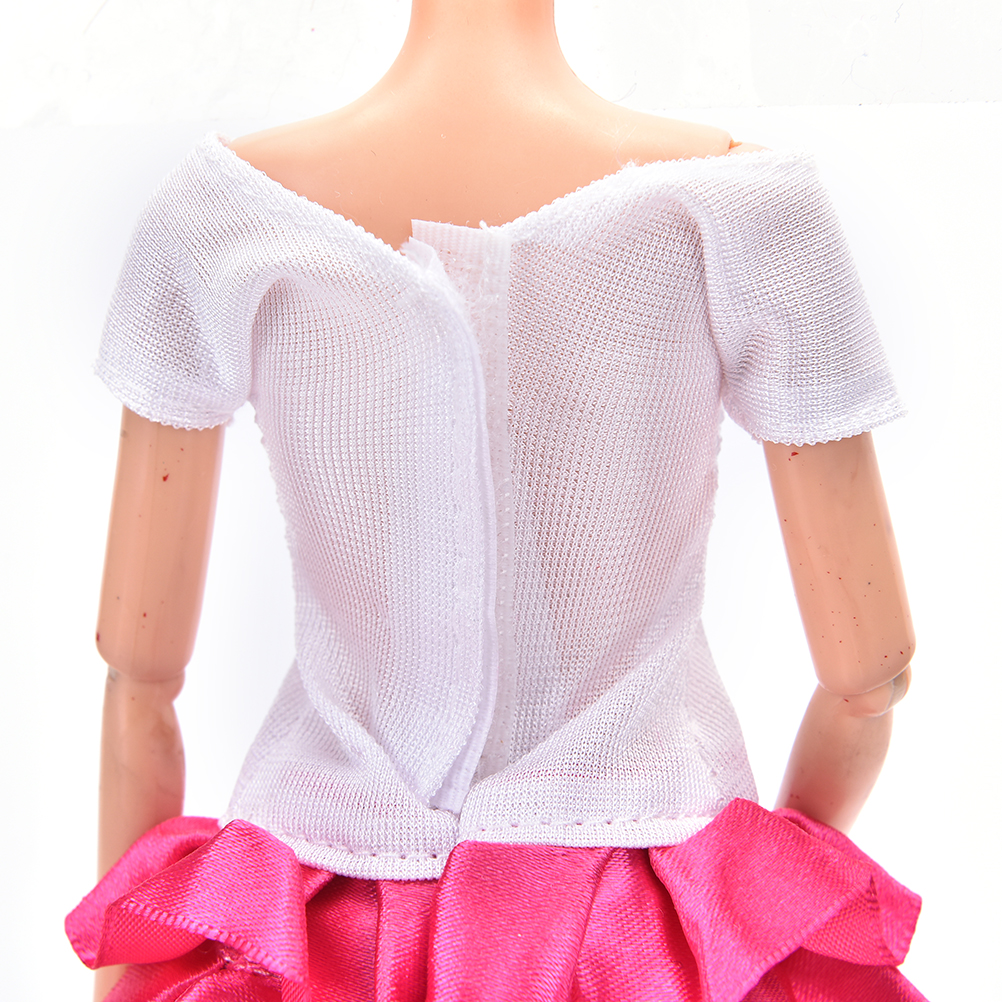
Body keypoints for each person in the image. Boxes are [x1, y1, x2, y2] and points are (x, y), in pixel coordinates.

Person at [67, 1, 925, 999]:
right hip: (647, 934)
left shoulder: (225, 219)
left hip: (313, 929)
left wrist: (123, 967)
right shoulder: (741, 212)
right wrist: (763, 906)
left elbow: (137, 679)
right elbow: (871, 675)